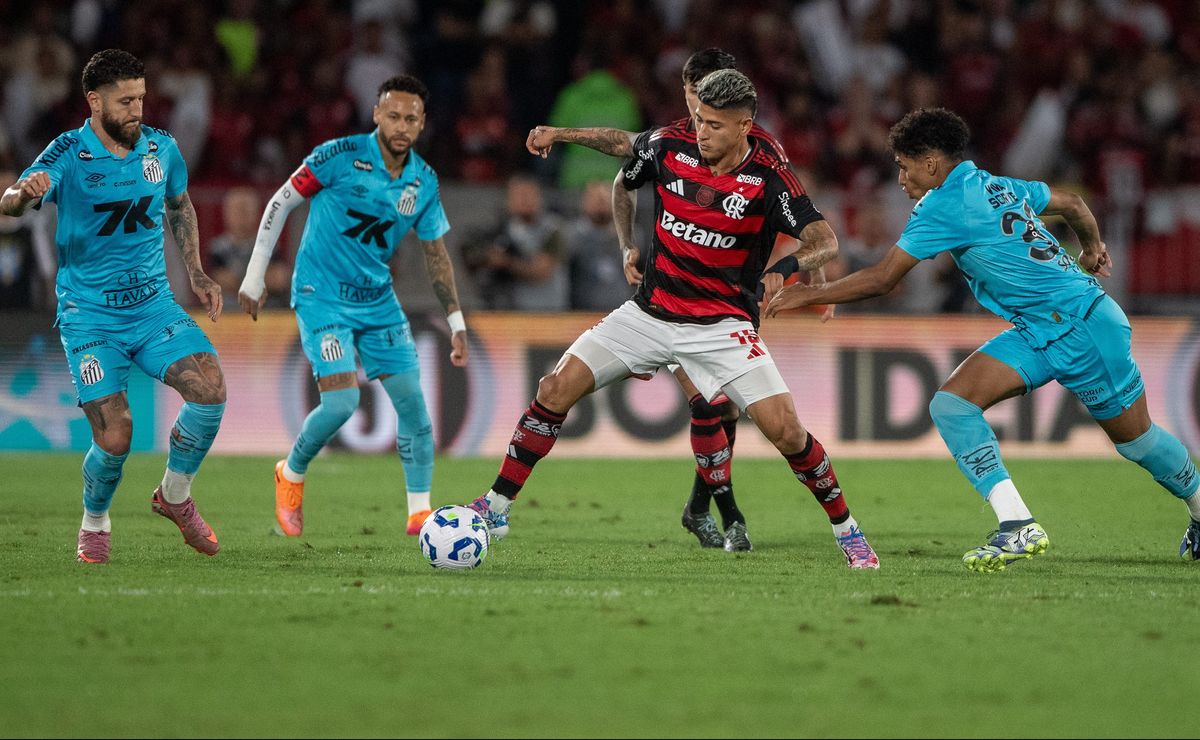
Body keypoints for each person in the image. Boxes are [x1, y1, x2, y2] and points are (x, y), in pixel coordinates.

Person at [469, 69, 881, 570]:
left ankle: (848, 531)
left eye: (714, 125)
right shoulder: (670, 145)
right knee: (554, 388)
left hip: (722, 327)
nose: (701, 132)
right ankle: (495, 508)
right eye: (699, 120)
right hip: (650, 313)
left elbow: (825, 241)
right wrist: (561, 135)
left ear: (745, 125)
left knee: (787, 432)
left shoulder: (769, 178)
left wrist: (787, 268)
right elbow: (621, 145)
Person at [766, 107, 1200, 571]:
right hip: (1042, 327)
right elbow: (1074, 205)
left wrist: (806, 296)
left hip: (1083, 327)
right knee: (952, 405)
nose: (899, 178)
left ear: (932, 163)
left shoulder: (943, 204)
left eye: (904, 165)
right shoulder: (998, 184)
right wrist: (1092, 248)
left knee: (1136, 442)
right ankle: (1017, 525)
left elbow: (883, 278)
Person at [0, 49, 227, 564]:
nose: (138, 109)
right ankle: (95, 522)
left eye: (142, 98)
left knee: (210, 391)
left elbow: (179, 203)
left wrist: (194, 270)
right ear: (94, 101)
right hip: (90, 318)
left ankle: (173, 497)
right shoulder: (67, 153)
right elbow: (12, 200)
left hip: (154, 309)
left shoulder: (161, 149)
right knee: (117, 434)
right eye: (126, 101)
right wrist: (22, 193)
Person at [614, 48, 836, 553]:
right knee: (708, 400)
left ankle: (699, 509)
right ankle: (729, 514)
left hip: (732, 296)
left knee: (727, 409)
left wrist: (815, 282)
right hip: (671, 293)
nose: (694, 113)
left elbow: (799, 216)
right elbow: (620, 178)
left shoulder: (761, 149)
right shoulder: (671, 139)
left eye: (702, 100)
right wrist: (627, 245)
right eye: (690, 98)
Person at [238, 75, 469, 538]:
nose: (402, 125)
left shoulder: (423, 181)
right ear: (377, 115)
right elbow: (281, 202)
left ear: (422, 125)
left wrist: (456, 320)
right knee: (342, 402)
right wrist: (255, 274)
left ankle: (419, 514)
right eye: (394, 115)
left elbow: (436, 254)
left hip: (377, 301)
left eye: (412, 118)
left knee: (416, 412)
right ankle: (292, 473)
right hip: (320, 296)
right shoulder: (338, 156)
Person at [207, 186, 290, 308]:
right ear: (226, 213)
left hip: (267, 313)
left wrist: (239, 280)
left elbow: (279, 279)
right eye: (237, 211)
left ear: (257, 213)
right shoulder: (218, 248)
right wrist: (260, 279)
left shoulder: (270, 244)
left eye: (246, 211)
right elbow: (222, 281)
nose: (241, 217)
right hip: (229, 315)